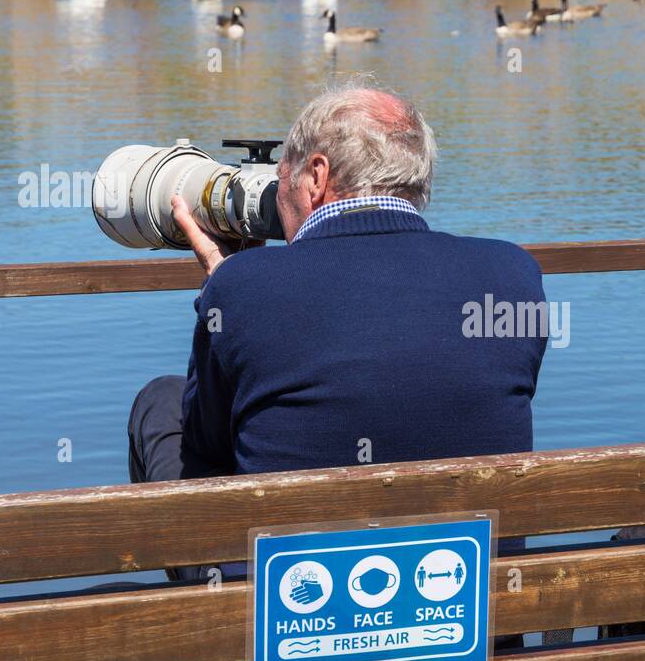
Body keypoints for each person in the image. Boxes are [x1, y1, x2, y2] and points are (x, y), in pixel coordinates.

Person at [127, 83, 549, 579]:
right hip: (471, 612)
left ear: (317, 176)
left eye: (280, 177)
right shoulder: (512, 276)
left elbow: (208, 447)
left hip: (282, 622)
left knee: (160, 402)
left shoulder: (242, 289)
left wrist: (228, 288)